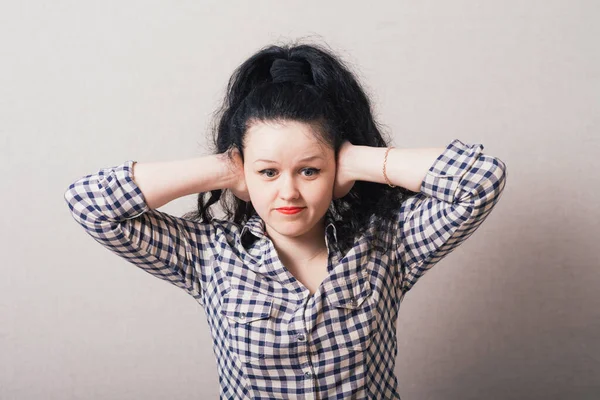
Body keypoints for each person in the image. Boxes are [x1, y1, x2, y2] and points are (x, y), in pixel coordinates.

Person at [64, 41, 507, 399]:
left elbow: (480, 181)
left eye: (309, 170)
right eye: (268, 172)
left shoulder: (388, 245)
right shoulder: (207, 255)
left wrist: (357, 158)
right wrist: (223, 168)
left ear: (336, 172)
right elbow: (90, 203)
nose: (289, 192)